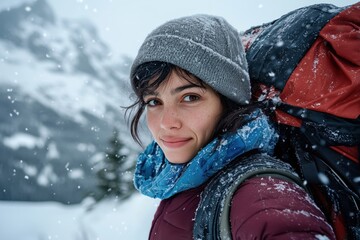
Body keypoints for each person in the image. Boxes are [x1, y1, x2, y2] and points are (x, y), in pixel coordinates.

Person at [126, 14, 335, 239]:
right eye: (154, 102)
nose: (167, 123)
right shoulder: (184, 177)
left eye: (190, 98)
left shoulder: (262, 197)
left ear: (228, 103)